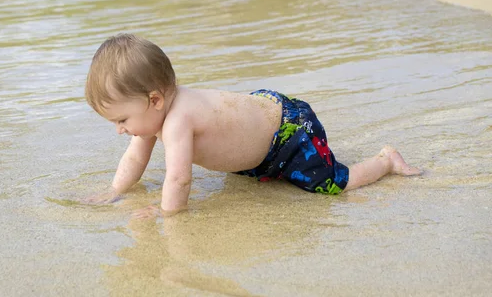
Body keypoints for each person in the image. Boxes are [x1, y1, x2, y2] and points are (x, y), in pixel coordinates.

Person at [83, 33, 421, 218]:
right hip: (260, 118)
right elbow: (134, 160)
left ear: (155, 100)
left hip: (288, 132)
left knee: (329, 185)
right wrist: (114, 191)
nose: (120, 129)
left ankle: (385, 161)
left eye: (122, 119)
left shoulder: (176, 121)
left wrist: (167, 215)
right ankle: (265, 166)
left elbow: (178, 178)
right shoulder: (155, 116)